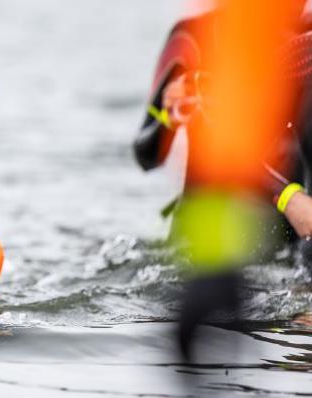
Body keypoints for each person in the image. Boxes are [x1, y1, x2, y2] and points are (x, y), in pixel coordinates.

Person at [133, 8, 312, 241]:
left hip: (289, 231)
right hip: (205, 233)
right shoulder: (191, 37)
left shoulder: (305, 41)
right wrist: (169, 117)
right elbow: (146, 156)